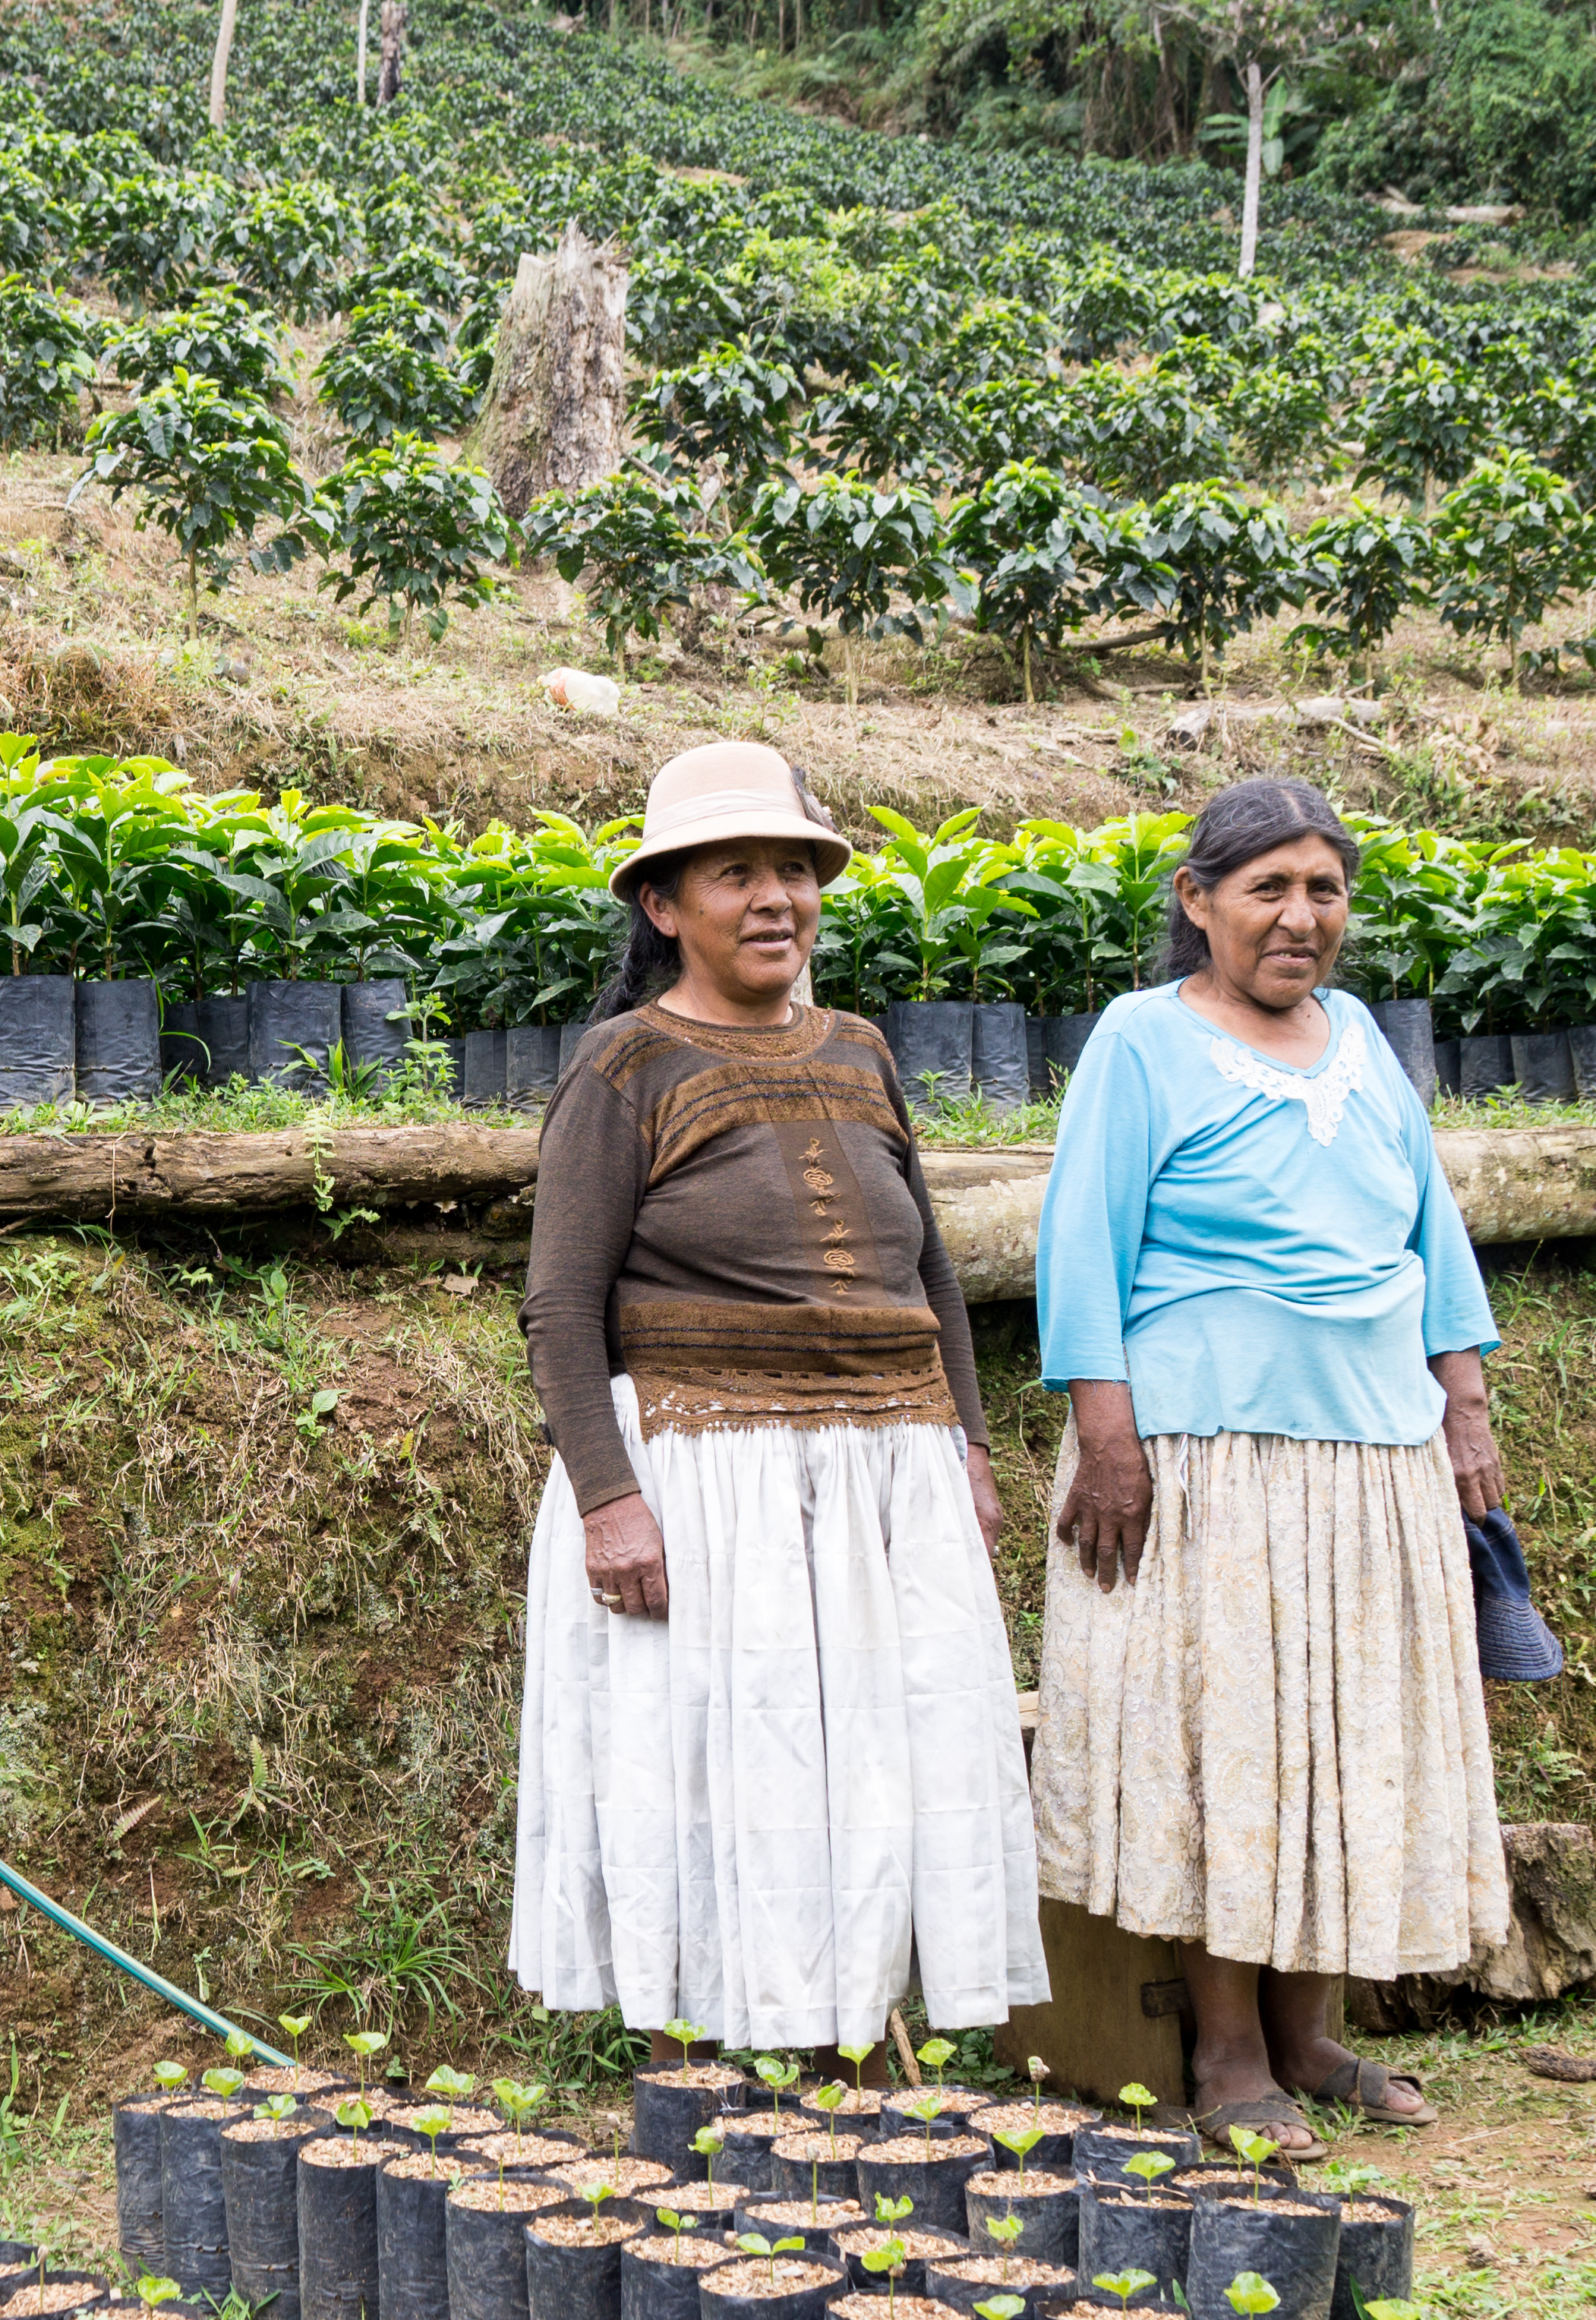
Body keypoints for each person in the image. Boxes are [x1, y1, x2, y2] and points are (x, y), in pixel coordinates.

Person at [507, 740, 1048, 2052]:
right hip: (709, 1475)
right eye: (736, 873)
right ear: (663, 904)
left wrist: (968, 1446)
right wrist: (611, 1501)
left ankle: (853, 2040)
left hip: (887, 1475)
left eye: (795, 872)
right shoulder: (625, 1067)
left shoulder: (862, 1049)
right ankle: (714, 2066)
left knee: (883, 1761)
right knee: (721, 1767)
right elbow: (560, 1309)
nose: (774, 901)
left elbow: (928, 1269)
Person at [1029, 774, 1507, 2155]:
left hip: (1372, 1451)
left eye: (1326, 889)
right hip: (1206, 1450)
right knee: (1231, 1744)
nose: (1302, 918)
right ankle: (1229, 2055)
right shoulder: (1141, 1041)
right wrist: (1106, 1441)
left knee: (1351, 1736)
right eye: (1269, 889)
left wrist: (1461, 1399)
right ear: (1198, 903)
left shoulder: (1359, 1037)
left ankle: (1314, 2033)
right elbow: (1081, 1249)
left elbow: (1435, 1228)